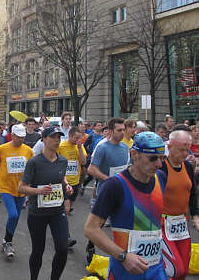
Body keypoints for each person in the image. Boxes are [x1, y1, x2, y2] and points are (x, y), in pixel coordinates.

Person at [84, 131, 168, 279]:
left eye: (162, 158)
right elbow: (91, 229)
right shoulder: (115, 185)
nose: (159, 164)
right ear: (135, 154)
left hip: (156, 267)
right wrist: (123, 256)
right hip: (126, 270)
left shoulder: (160, 177)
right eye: (153, 158)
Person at [18, 127, 73, 280]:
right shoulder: (34, 162)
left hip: (57, 211)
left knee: (62, 248)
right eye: (52, 137)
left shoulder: (63, 160)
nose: (56, 140)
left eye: (59, 137)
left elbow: (61, 178)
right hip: (37, 213)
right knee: (38, 250)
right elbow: (21, 188)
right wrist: (38, 191)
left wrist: (66, 186)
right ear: (43, 139)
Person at [86, 117, 129, 263]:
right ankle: (90, 247)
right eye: (119, 130)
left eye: (124, 130)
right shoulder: (102, 146)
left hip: (122, 192)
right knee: (98, 224)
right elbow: (91, 169)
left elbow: (126, 169)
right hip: (105, 191)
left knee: (123, 224)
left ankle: (122, 253)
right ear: (110, 131)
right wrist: (108, 180)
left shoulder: (125, 148)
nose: (122, 133)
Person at [0, 124, 33, 258]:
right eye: (19, 137)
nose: (21, 140)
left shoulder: (28, 150)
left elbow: (33, 166)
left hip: (21, 188)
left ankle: (6, 240)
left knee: (16, 217)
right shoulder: (2, 148)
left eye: (23, 137)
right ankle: (8, 242)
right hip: (6, 188)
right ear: (12, 135)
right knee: (13, 215)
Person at [160, 130, 199, 279]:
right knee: (176, 269)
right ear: (170, 147)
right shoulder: (161, 168)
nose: (185, 153)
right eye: (181, 149)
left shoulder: (188, 167)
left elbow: (192, 192)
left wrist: (195, 215)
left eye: (187, 149)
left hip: (182, 224)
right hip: (163, 224)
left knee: (184, 268)